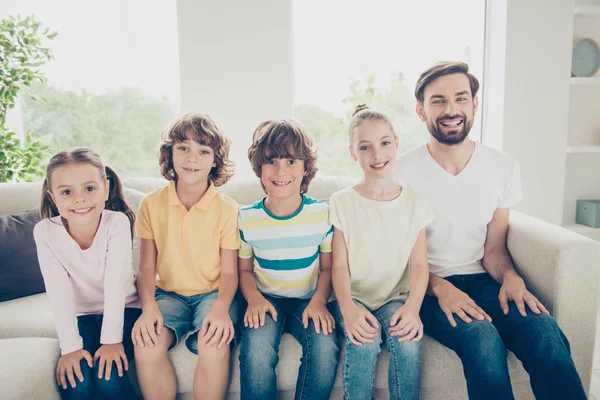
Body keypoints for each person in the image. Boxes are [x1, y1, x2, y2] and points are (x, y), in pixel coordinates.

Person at [394, 61, 586, 400]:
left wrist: (511, 277)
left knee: (545, 333)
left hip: (483, 279)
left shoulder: (502, 167)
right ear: (421, 111)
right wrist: (441, 289)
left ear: (474, 104)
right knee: (481, 339)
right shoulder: (401, 172)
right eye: (438, 100)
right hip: (426, 287)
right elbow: (396, 257)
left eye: (460, 98)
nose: (451, 109)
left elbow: (494, 248)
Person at [131, 113, 241, 400]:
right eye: (183, 148)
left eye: (203, 151)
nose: (192, 158)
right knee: (146, 344)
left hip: (214, 295)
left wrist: (220, 310)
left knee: (214, 343)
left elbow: (230, 273)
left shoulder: (228, 209)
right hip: (168, 295)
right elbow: (145, 267)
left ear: (215, 160)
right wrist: (148, 308)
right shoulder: (151, 204)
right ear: (170, 153)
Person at [329, 105, 434, 400]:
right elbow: (338, 267)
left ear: (396, 143)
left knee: (409, 342)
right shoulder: (342, 202)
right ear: (353, 153)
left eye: (385, 143)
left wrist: (413, 308)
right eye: (366, 147)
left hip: (394, 298)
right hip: (354, 297)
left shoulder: (415, 202)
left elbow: (419, 265)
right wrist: (348, 309)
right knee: (364, 341)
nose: (377, 155)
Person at [238, 119, 340, 399]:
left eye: (292, 161)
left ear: (306, 168)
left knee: (324, 346)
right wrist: (254, 300)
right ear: (259, 168)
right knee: (256, 351)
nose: (281, 170)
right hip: (266, 298)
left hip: (309, 299)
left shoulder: (323, 215)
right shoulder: (247, 218)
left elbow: (329, 267)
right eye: (271, 161)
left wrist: (319, 302)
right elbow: (244, 271)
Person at [33, 147, 140, 399]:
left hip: (127, 309)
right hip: (83, 315)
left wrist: (112, 341)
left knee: (109, 378)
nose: (79, 199)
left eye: (89, 188)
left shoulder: (117, 223)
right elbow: (58, 292)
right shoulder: (45, 232)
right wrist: (70, 347)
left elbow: (115, 287)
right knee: (77, 381)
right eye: (67, 192)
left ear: (105, 188)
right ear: (52, 196)